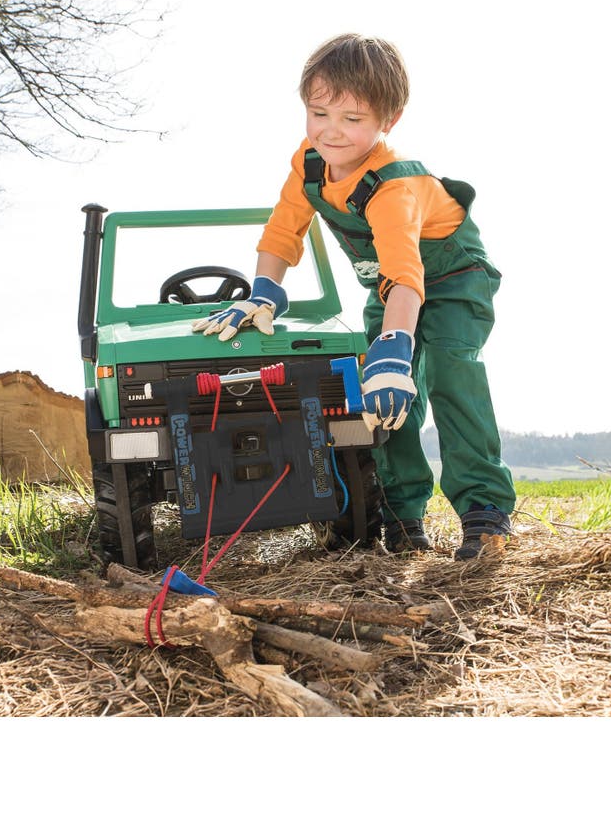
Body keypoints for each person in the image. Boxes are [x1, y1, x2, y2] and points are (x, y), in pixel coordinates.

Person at [192, 33, 516, 560]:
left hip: (453, 278)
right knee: (384, 399)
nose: (332, 131)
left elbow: (407, 275)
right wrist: (265, 291)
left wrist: (395, 348)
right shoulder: (309, 163)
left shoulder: (392, 187)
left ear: (389, 119)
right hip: (386, 287)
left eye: (353, 119)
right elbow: (282, 232)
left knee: (453, 374)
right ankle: (402, 512)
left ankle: (485, 512)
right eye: (319, 112)